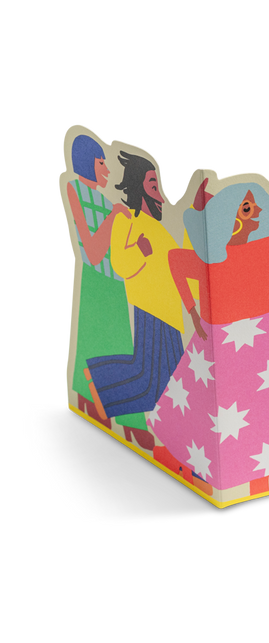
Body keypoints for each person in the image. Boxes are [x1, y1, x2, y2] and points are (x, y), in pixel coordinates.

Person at [148, 182, 269, 494]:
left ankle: (262, 471)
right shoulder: (225, 257)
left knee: (266, 404)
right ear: (231, 216)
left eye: (255, 206)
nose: (257, 211)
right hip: (222, 342)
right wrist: (192, 311)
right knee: (210, 406)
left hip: (257, 339)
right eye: (247, 208)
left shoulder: (257, 250)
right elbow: (175, 260)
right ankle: (193, 463)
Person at [65, 134, 155, 448]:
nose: (106, 170)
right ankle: (97, 405)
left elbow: (120, 249)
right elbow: (92, 252)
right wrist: (115, 216)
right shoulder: (75, 190)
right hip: (97, 282)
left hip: (116, 283)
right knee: (96, 342)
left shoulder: (107, 202)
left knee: (120, 345)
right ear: (87, 163)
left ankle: (127, 418)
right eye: (101, 162)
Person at [84, 153, 186, 423]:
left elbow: (178, 264)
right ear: (139, 186)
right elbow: (119, 263)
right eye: (153, 184)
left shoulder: (161, 228)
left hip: (171, 311)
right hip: (150, 305)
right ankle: (98, 389)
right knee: (153, 384)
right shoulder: (127, 219)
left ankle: (96, 379)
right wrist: (140, 250)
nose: (160, 194)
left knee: (170, 381)